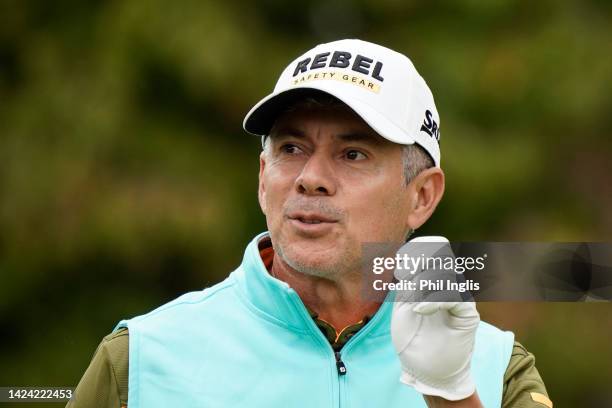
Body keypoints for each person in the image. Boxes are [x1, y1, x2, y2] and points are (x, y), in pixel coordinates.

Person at [68, 39, 552, 408]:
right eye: (291, 149)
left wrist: (453, 397)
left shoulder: (497, 368)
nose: (311, 179)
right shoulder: (139, 361)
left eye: (353, 154)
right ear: (263, 179)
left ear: (421, 196)